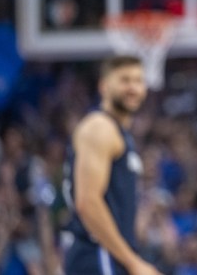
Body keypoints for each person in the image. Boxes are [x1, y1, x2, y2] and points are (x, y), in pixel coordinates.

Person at [63, 55, 161, 275]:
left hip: (109, 256)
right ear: (104, 85)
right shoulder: (100, 127)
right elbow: (88, 203)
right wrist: (133, 262)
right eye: (125, 80)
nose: (133, 88)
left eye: (138, 81)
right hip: (98, 253)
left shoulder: (119, 132)